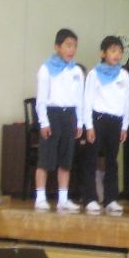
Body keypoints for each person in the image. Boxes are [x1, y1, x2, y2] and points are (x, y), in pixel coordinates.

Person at [34, 29, 84, 214]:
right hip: (52, 114)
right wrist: (44, 122)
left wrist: (79, 122)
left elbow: (80, 99)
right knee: (45, 159)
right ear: (57, 47)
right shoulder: (46, 69)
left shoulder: (77, 71)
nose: (72, 50)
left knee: (66, 159)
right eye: (68, 46)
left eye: (74, 46)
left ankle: (63, 199)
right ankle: (40, 197)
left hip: (69, 115)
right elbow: (41, 99)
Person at [81, 36, 129, 217]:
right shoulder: (94, 74)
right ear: (103, 53)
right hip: (97, 119)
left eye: (120, 51)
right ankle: (90, 198)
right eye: (113, 50)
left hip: (116, 121)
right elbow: (87, 100)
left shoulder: (124, 75)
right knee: (91, 159)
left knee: (112, 160)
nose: (117, 54)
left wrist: (125, 125)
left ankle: (111, 199)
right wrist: (89, 126)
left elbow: (127, 102)